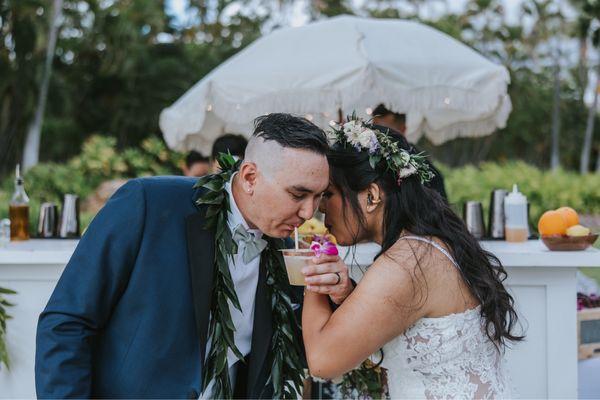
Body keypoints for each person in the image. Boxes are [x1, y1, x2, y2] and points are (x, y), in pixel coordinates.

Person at [35, 113, 341, 398]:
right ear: (249, 177)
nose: (308, 212)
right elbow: (67, 321)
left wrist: (336, 291)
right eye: (298, 195)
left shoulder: (287, 250)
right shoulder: (149, 204)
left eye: (318, 197)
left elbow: (301, 352)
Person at [301, 118, 522, 399]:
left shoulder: (407, 263)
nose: (319, 207)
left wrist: (312, 269)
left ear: (371, 196)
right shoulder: (427, 247)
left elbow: (322, 361)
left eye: (329, 194)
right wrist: (346, 295)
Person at [371, 104, 448, 200]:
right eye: (374, 131)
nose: (377, 137)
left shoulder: (421, 166)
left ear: (403, 129)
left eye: (384, 132)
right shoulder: (371, 159)